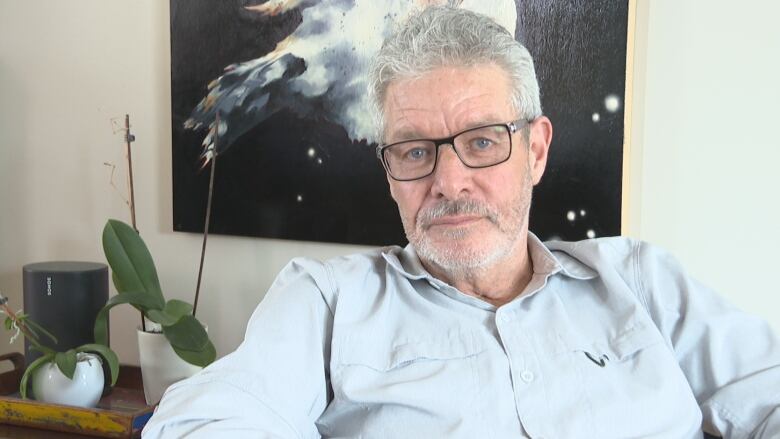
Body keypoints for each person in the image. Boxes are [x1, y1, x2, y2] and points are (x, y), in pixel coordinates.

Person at [143, 6, 780, 438]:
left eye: (481, 142)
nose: (448, 182)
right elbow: (214, 418)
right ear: (389, 170)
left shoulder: (644, 282)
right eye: (416, 152)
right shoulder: (328, 301)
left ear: (535, 150)